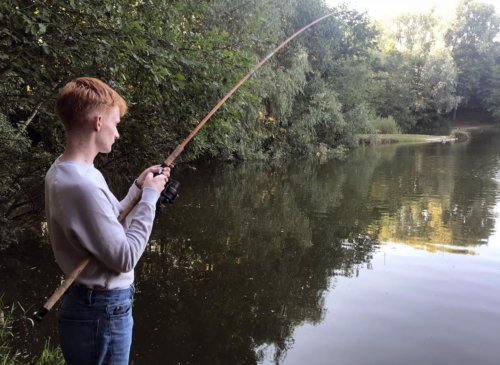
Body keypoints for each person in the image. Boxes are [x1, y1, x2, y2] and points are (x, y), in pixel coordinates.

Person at [45, 77, 169, 364]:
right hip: (101, 313)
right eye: (115, 125)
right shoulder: (81, 184)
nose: (117, 134)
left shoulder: (70, 170)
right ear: (98, 123)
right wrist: (150, 199)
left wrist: (138, 189)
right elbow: (125, 257)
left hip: (92, 305)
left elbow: (111, 222)